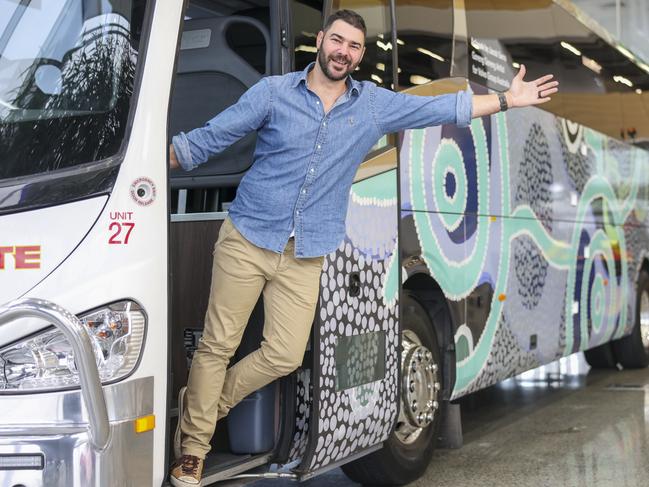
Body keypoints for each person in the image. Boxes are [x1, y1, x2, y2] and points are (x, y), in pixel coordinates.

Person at [169, 9, 558, 486]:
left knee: (285, 354)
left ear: (360, 54)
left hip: (305, 252)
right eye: (337, 41)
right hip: (248, 238)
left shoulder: (371, 105)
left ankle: (206, 402)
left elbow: (440, 109)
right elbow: (212, 138)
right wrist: (152, 166)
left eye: (354, 46)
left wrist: (504, 100)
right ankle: (193, 448)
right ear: (321, 42)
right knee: (217, 345)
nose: (343, 52)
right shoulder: (273, 93)